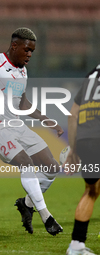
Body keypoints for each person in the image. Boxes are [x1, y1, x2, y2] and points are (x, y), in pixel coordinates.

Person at [0, 27, 63, 235]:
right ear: (14, 45)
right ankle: (46, 217)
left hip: (17, 126)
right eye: (26, 50)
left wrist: (45, 119)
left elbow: (21, 102)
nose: (30, 55)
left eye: (32, 51)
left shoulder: (22, 70)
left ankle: (26, 204)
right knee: (27, 163)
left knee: (52, 167)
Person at [64, 65, 100, 255]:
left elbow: (73, 115)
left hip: (86, 139)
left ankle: (76, 245)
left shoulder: (92, 74)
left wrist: (73, 149)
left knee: (91, 190)